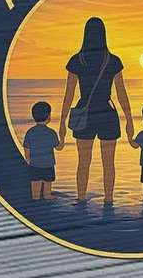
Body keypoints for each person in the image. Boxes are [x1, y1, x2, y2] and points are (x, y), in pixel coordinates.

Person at [56, 17, 132, 206]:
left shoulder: (77, 60)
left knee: (83, 161)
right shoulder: (112, 61)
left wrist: (62, 121)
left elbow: (69, 94)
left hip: (85, 114)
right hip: (107, 113)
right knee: (108, 162)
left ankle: (81, 198)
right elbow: (121, 92)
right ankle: (109, 199)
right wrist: (129, 119)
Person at [22, 101, 58, 201]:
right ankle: (48, 196)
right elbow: (58, 147)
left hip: (35, 164)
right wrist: (62, 138)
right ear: (48, 116)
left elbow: (26, 148)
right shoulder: (51, 133)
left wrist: (28, 160)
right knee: (47, 184)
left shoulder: (30, 132)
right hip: (48, 164)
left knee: (35, 185)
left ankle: (36, 197)